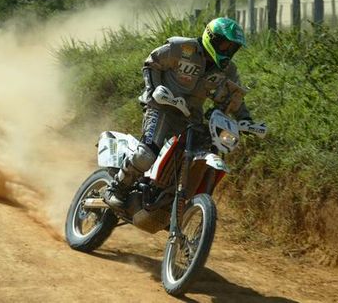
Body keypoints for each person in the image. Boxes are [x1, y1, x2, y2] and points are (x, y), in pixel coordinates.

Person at [104, 17, 255, 208]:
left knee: (199, 157)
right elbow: (152, 63)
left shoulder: (228, 71)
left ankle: (173, 199)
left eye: (233, 48)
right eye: (225, 45)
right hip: (162, 108)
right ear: (212, 38)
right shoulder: (182, 48)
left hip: (192, 118)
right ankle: (117, 188)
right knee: (147, 154)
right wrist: (154, 90)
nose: (228, 51)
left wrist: (246, 119)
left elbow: (235, 97)